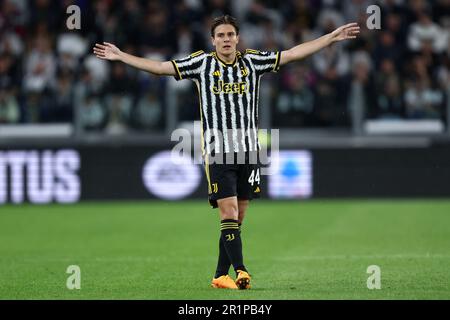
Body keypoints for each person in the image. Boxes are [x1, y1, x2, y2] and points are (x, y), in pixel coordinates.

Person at [93, 15, 359, 290]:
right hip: (218, 152)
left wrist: (329, 38)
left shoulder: (252, 62)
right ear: (213, 40)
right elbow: (161, 68)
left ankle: (220, 275)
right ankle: (242, 270)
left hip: (249, 152)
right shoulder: (201, 63)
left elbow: (292, 54)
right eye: (220, 35)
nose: (226, 39)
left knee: (238, 217)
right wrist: (122, 56)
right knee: (228, 213)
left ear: (238, 38)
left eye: (230, 34)